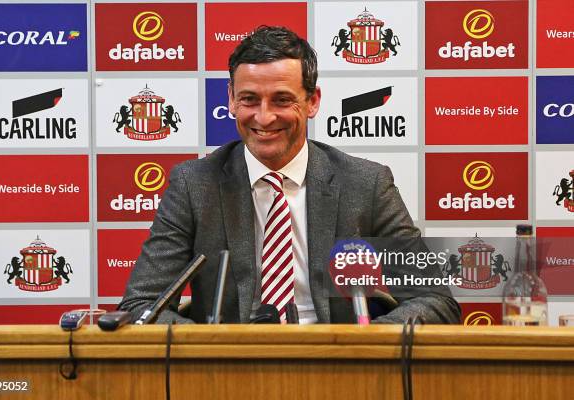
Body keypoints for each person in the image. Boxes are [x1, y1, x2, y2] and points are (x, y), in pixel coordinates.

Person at [119, 26, 460, 325]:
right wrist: (209, 347)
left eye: (282, 100)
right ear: (231, 101)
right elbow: (141, 304)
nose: (264, 118)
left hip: (337, 365)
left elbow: (434, 299)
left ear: (312, 101)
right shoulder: (193, 185)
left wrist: (365, 346)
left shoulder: (365, 184)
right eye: (249, 100)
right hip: (228, 370)